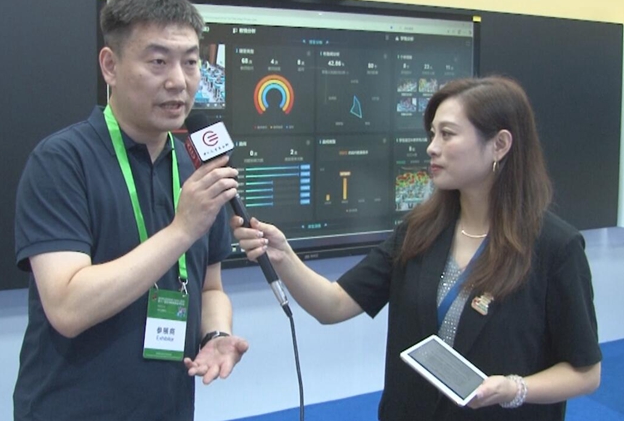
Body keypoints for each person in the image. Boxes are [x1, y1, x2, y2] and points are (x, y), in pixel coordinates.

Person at [232, 76, 601, 420]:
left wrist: (514, 388)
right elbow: (334, 305)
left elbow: (585, 372)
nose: (432, 147)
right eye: (432, 134)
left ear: (500, 145)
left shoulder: (556, 248)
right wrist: (283, 255)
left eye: (447, 134)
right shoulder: (420, 230)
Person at [13, 0, 248, 421]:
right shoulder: (62, 161)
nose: (178, 81)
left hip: (168, 407)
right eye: (158, 62)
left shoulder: (197, 165)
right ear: (110, 66)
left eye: (191, 62)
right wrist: (182, 229)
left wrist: (216, 333)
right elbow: (67, 307)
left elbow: (210, 287)